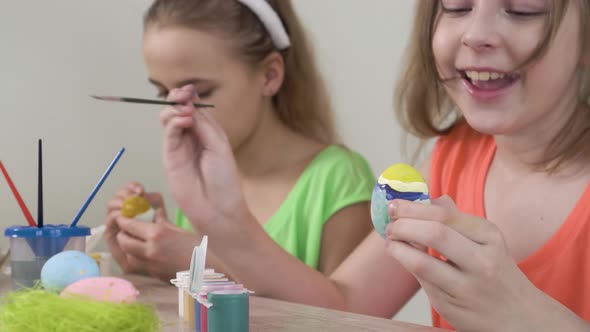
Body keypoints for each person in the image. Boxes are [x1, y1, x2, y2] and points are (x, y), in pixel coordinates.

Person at [160, 0, 590, 331]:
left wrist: (527, 317)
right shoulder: (453, 158)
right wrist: (224, 219)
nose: (477, 34)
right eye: (456, 6)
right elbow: (342, 306)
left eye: (523, 9)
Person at [103, 0, 375, 283]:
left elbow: (342, 316)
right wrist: (149, 263)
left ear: (269, 75)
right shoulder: (198, 177)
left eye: (201, 92)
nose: (177, 113)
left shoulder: (338, 181)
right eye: (163, 94)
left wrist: (196, 264)